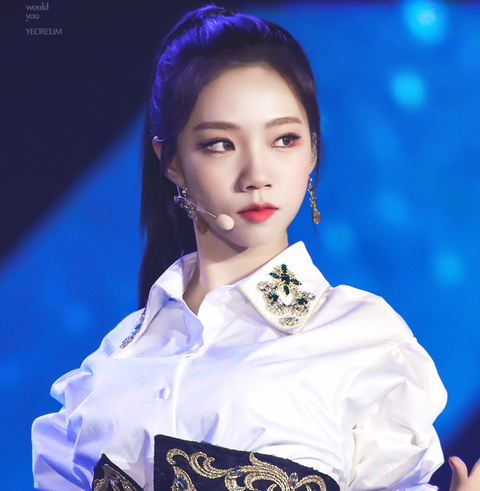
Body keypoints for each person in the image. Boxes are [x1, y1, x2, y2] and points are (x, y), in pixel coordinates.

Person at [31, 4, 477, 491]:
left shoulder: (360, 343)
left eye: (284, 139)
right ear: (171, 161)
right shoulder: (107, 371)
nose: (257, 175)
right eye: (220, 144)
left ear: (312, 149)